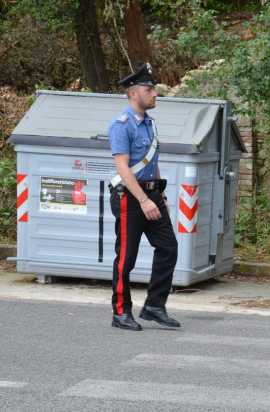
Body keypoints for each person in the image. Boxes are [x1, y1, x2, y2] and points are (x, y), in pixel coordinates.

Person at [108, 63, 181, 331]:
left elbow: (152, 163)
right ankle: (120, 312)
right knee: (126, 257)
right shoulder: (121, 125)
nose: (154, 94)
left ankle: (154, 306)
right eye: (149, 89)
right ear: (133, 93)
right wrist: (144, 200)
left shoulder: (150, 124)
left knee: (168, 247)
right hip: (130, 197)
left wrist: (160, 196)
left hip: (151, 195)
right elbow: (123, 168)